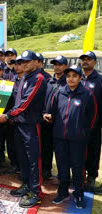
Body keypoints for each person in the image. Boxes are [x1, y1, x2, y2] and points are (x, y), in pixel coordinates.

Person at [0, 50, 47, 208]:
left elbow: (26, 102)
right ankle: (26, 184)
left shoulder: (38, 78)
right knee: (23, 157)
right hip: (19, 123)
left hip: (31, 125)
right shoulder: (24, 77)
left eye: (26, 61)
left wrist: (8, 115)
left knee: (33, 159)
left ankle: (35, 192)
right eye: (21, 62)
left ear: (34, 62)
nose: (23, 64)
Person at [43, 65, 97, 209]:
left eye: (74, 76)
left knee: (78, 168)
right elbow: (52, 112)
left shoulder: (87, 94)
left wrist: (84, 133)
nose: (71, 79)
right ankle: (63, 192)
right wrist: (49, 117)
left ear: (80, 78)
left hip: (78, 140)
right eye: (68, 76)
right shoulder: (59, 92)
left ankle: (78, 194)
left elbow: (93, 118)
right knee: (62, 166)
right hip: (60, 138)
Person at [41, 55, 68, 181]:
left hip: (60, 122)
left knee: (60, 150)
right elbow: (43, 100)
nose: (57, 67)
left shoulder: (67, 82)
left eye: (60, 64)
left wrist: (55, 116)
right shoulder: (49, 81)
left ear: (65, 66)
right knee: (46, 147)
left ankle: (63, 175)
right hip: (46, 120)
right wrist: (43, 113)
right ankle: (46, 170)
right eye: (55, 64)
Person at [79, 51, 102, 194]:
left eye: (89, 59)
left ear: (95, 62)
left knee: (93, 152)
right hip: (76, 125)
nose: (85, 61)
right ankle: (78, 177)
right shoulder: (75, 77)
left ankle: (91, 179)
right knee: (77, 152)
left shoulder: (99, 80)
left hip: (95, 125)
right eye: (83, 59)